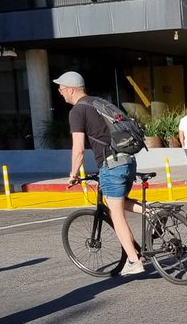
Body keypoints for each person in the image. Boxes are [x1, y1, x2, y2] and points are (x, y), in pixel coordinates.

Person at [54, 71, 144, 275]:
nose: (60, 93)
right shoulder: (98, 102)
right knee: (120, 201)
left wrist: (73, 174)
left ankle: (134, 261)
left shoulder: (77, 111)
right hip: (128, 161)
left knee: (115, 213)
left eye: (61, 88)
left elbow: (78, 149)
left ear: (70, 89)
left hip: (111, 165)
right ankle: (153, 213)